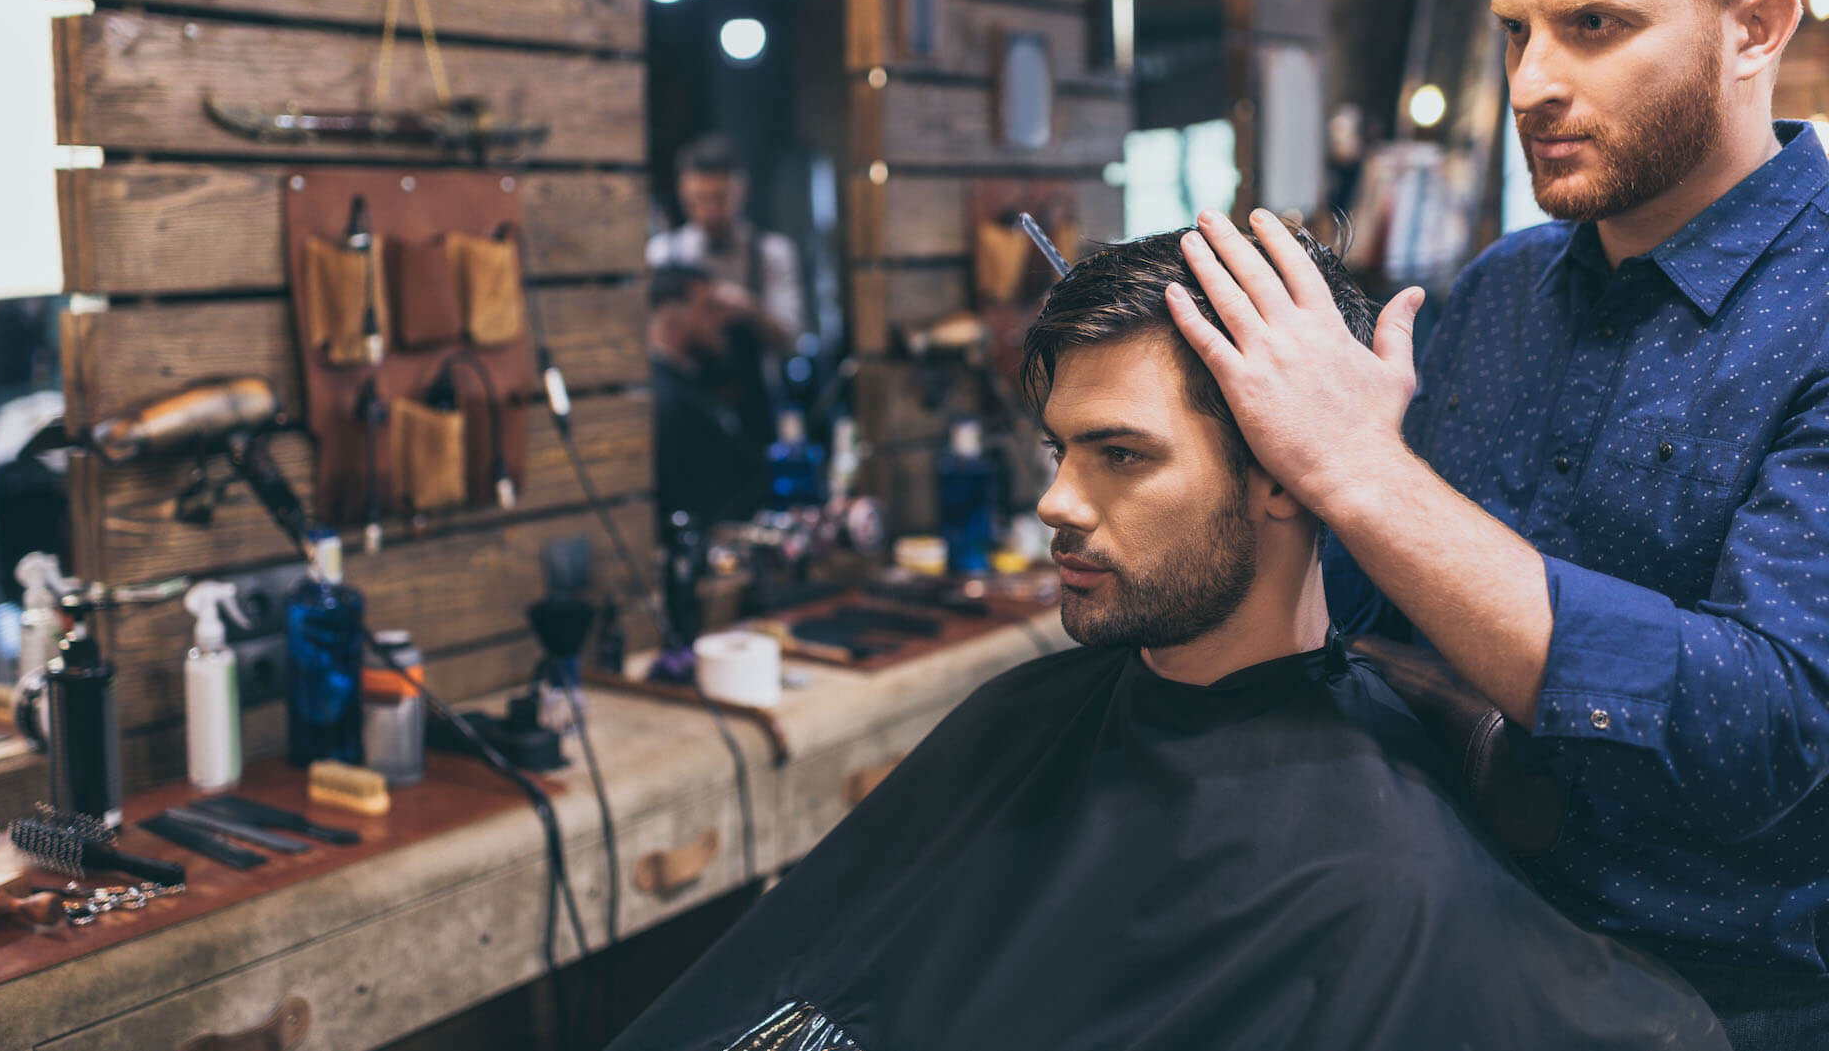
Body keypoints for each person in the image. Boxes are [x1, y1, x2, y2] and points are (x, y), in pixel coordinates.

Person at [604, 228, 1725, 1051]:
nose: (1055, 502)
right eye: (1059, 451)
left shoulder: (1371, 882)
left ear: (1288, 474)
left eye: (1120, 455)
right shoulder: (1025, 720)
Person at [1168, 0, 1829, 1044]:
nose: (1530, 83)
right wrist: (1224, 484)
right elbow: (1378, 595)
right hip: (1437, 927)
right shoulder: (1502, 292)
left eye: (1592, 24)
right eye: (1515, 29)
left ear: (1755, 30)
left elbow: (1772, 733)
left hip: (1717, 1005)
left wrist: (1368, 474)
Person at [648, 133, 805, 447]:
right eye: (697, 200)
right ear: (682, 192)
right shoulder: (662, 252)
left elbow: (791, 340)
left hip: (753, 407)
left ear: (741, 191)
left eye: (719, 198)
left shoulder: (772, 253)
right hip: (685, 406)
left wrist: (748, 309)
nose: (708, 211)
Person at [647, 264, 765, 523]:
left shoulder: (695, 384)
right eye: (708, 308)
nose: (723, 319)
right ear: (671, 318)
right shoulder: (665, 400)